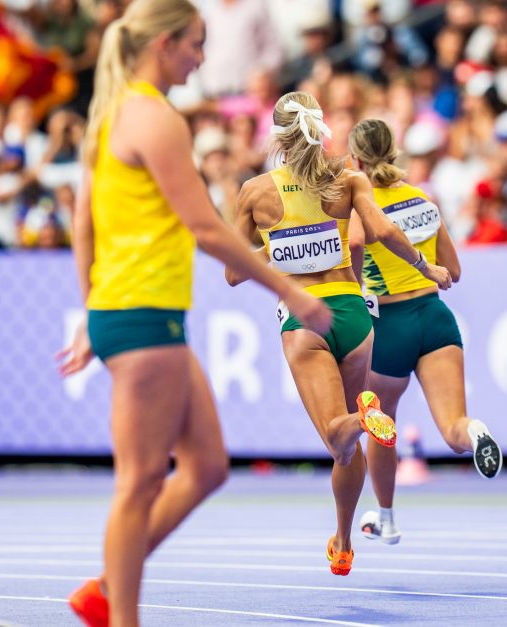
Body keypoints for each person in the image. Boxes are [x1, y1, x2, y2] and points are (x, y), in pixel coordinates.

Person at [55, 3, 332, 625]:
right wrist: (290, 291)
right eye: (196, 45)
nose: (203, 59)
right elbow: (205, 226)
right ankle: (119, 613)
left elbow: (83, 227)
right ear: (165, 43)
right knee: (139, 484)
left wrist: (91, 309)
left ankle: (107, 585)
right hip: (143, 314)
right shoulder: (153, 118)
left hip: (138, 314)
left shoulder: (111, 115)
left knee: (206, 465)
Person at [225, 94, 452, 576]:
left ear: (278, 137)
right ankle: (343, 539)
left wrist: (279, 249)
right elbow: (386, 232)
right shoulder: (349, 179)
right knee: (348, 438)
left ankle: (363, 422)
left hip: (305, 319)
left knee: (336, 435)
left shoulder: (256, 191)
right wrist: (426, 266)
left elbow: (231, 272)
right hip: (355, 316)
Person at [346, 118, 503, 545]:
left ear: (355, 159)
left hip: (389, 324)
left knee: (382, 423)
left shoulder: (362, 206)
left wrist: (357, 288)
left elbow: (357, 245)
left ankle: (388, 518)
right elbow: (453, 270)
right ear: (393, 151)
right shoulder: (423, 199)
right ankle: (476, 433)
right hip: (435, 317)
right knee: (452, 427)